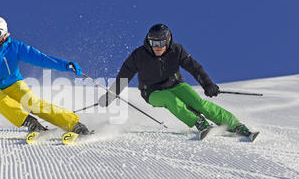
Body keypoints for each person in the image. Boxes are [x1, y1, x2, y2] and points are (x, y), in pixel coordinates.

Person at [98, 23, 254, 139]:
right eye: (153, 43)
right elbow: (123, 77)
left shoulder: (177, 50)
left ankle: (235, 125)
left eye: (161, 43)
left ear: (168, 40)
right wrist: (111, 96)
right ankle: (199, 122)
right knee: (170, 100)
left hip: (175, 85)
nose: (157, 47)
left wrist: (207, 84)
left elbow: (194, 68)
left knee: (199, 103)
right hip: (152, 92)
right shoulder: (139, 55)